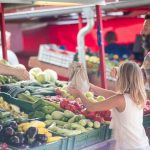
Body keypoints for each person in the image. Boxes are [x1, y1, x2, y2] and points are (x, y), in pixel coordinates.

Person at [68, 61, 150, 150]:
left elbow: (91, 107)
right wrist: (90, 87)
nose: (117, 78)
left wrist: (79, 94)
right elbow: (111, 94)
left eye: (119, 76)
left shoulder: (120, 99)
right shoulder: (138, 97)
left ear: (122, 79)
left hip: (130, 147)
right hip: (141, 144)